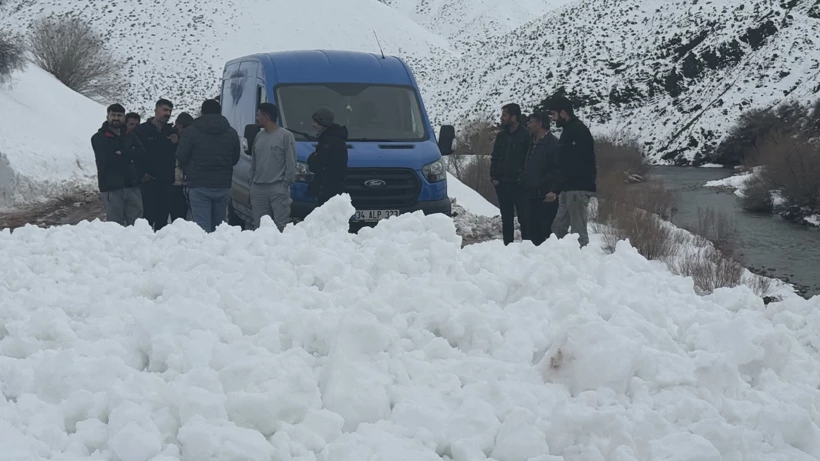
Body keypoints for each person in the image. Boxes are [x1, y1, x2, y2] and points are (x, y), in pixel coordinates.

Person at [176, 99, 240, 233]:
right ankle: (221, 251)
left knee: (202, 227)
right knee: (220, 226)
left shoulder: (191, 132)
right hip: (223, 184)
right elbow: (235, 159)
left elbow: (181, 156)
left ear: (202, 112)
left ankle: (205, 251)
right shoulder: (231, 132)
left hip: (198, 184)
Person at [548, 95, 597, 248]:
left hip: (577, 188)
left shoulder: (577, 131)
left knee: (578, 231)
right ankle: (560, 258)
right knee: (558, 228)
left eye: (554, 115)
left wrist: (556, 188)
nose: (554, 120)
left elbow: (572, 164)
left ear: (563, 113)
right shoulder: (570, 131)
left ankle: (582, 262)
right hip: (568, 188)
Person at [90, 103, 146, 226]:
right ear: (107, 116)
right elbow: (107, 158)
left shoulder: (130, 135)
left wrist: (123, 153)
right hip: (111, 188)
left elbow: (141, 152)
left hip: (132, 186)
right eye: (113, 115)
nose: (116, 118)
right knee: (115, 227)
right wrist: (130, 154)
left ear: (124, 117)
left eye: (119, 115)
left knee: (137, 225)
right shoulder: (99, 138)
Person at [249, 102, 296, 231]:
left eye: (258, 115)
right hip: (258, 188)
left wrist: (284, 185)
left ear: (266, 117)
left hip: (277, 188)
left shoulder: (285, 136)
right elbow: (254, 161)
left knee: (281, 226)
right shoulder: (259, 136)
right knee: (260, 226)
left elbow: (291, 163)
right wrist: (252, 184)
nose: (257, 118)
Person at [490, 103, 531, 245]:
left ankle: (527, 248)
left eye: (505, 115)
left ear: (514, 117)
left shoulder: (526, 135)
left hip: (519, 185)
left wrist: (523, 178)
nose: (502, 118)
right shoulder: (501, 136)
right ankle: (507, 248)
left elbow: (529, 158)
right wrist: (494, 177)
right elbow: (495, 156)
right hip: (502, 184)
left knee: (524, 218)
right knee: (506, 218)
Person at [134, 99, 177, 231]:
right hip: (148, 181)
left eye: (169, 111)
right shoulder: (141, 131)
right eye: (164, 110)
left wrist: (175, 143)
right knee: (146, 218)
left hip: (166, 182)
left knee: (162, 220)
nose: (167, 113)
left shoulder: (172, 132)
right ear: (156, 110)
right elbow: (135, 155)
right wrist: (141, 174)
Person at [522, 112, 563, 246]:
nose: (528, 125)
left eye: (531, 122)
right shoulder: (532, 143)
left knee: (543, 233)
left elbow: (559, 170)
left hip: (545, 196)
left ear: (539, 124)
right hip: (530, 194)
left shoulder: (553, 144)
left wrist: (554, 190)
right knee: (530, 232)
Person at [307, 106, 348, 208]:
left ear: (323, 123)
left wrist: (312, 158)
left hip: (327, 190)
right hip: (332, 189)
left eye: (315, 122)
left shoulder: (329, 142)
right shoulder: (335, 138)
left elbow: (317, 164)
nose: (313, 125)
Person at [170, 112, 194, 222]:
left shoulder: (191, 138)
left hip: (187, 183)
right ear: (178, 126)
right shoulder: (170, 136)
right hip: (173, 183)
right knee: (177, 216)